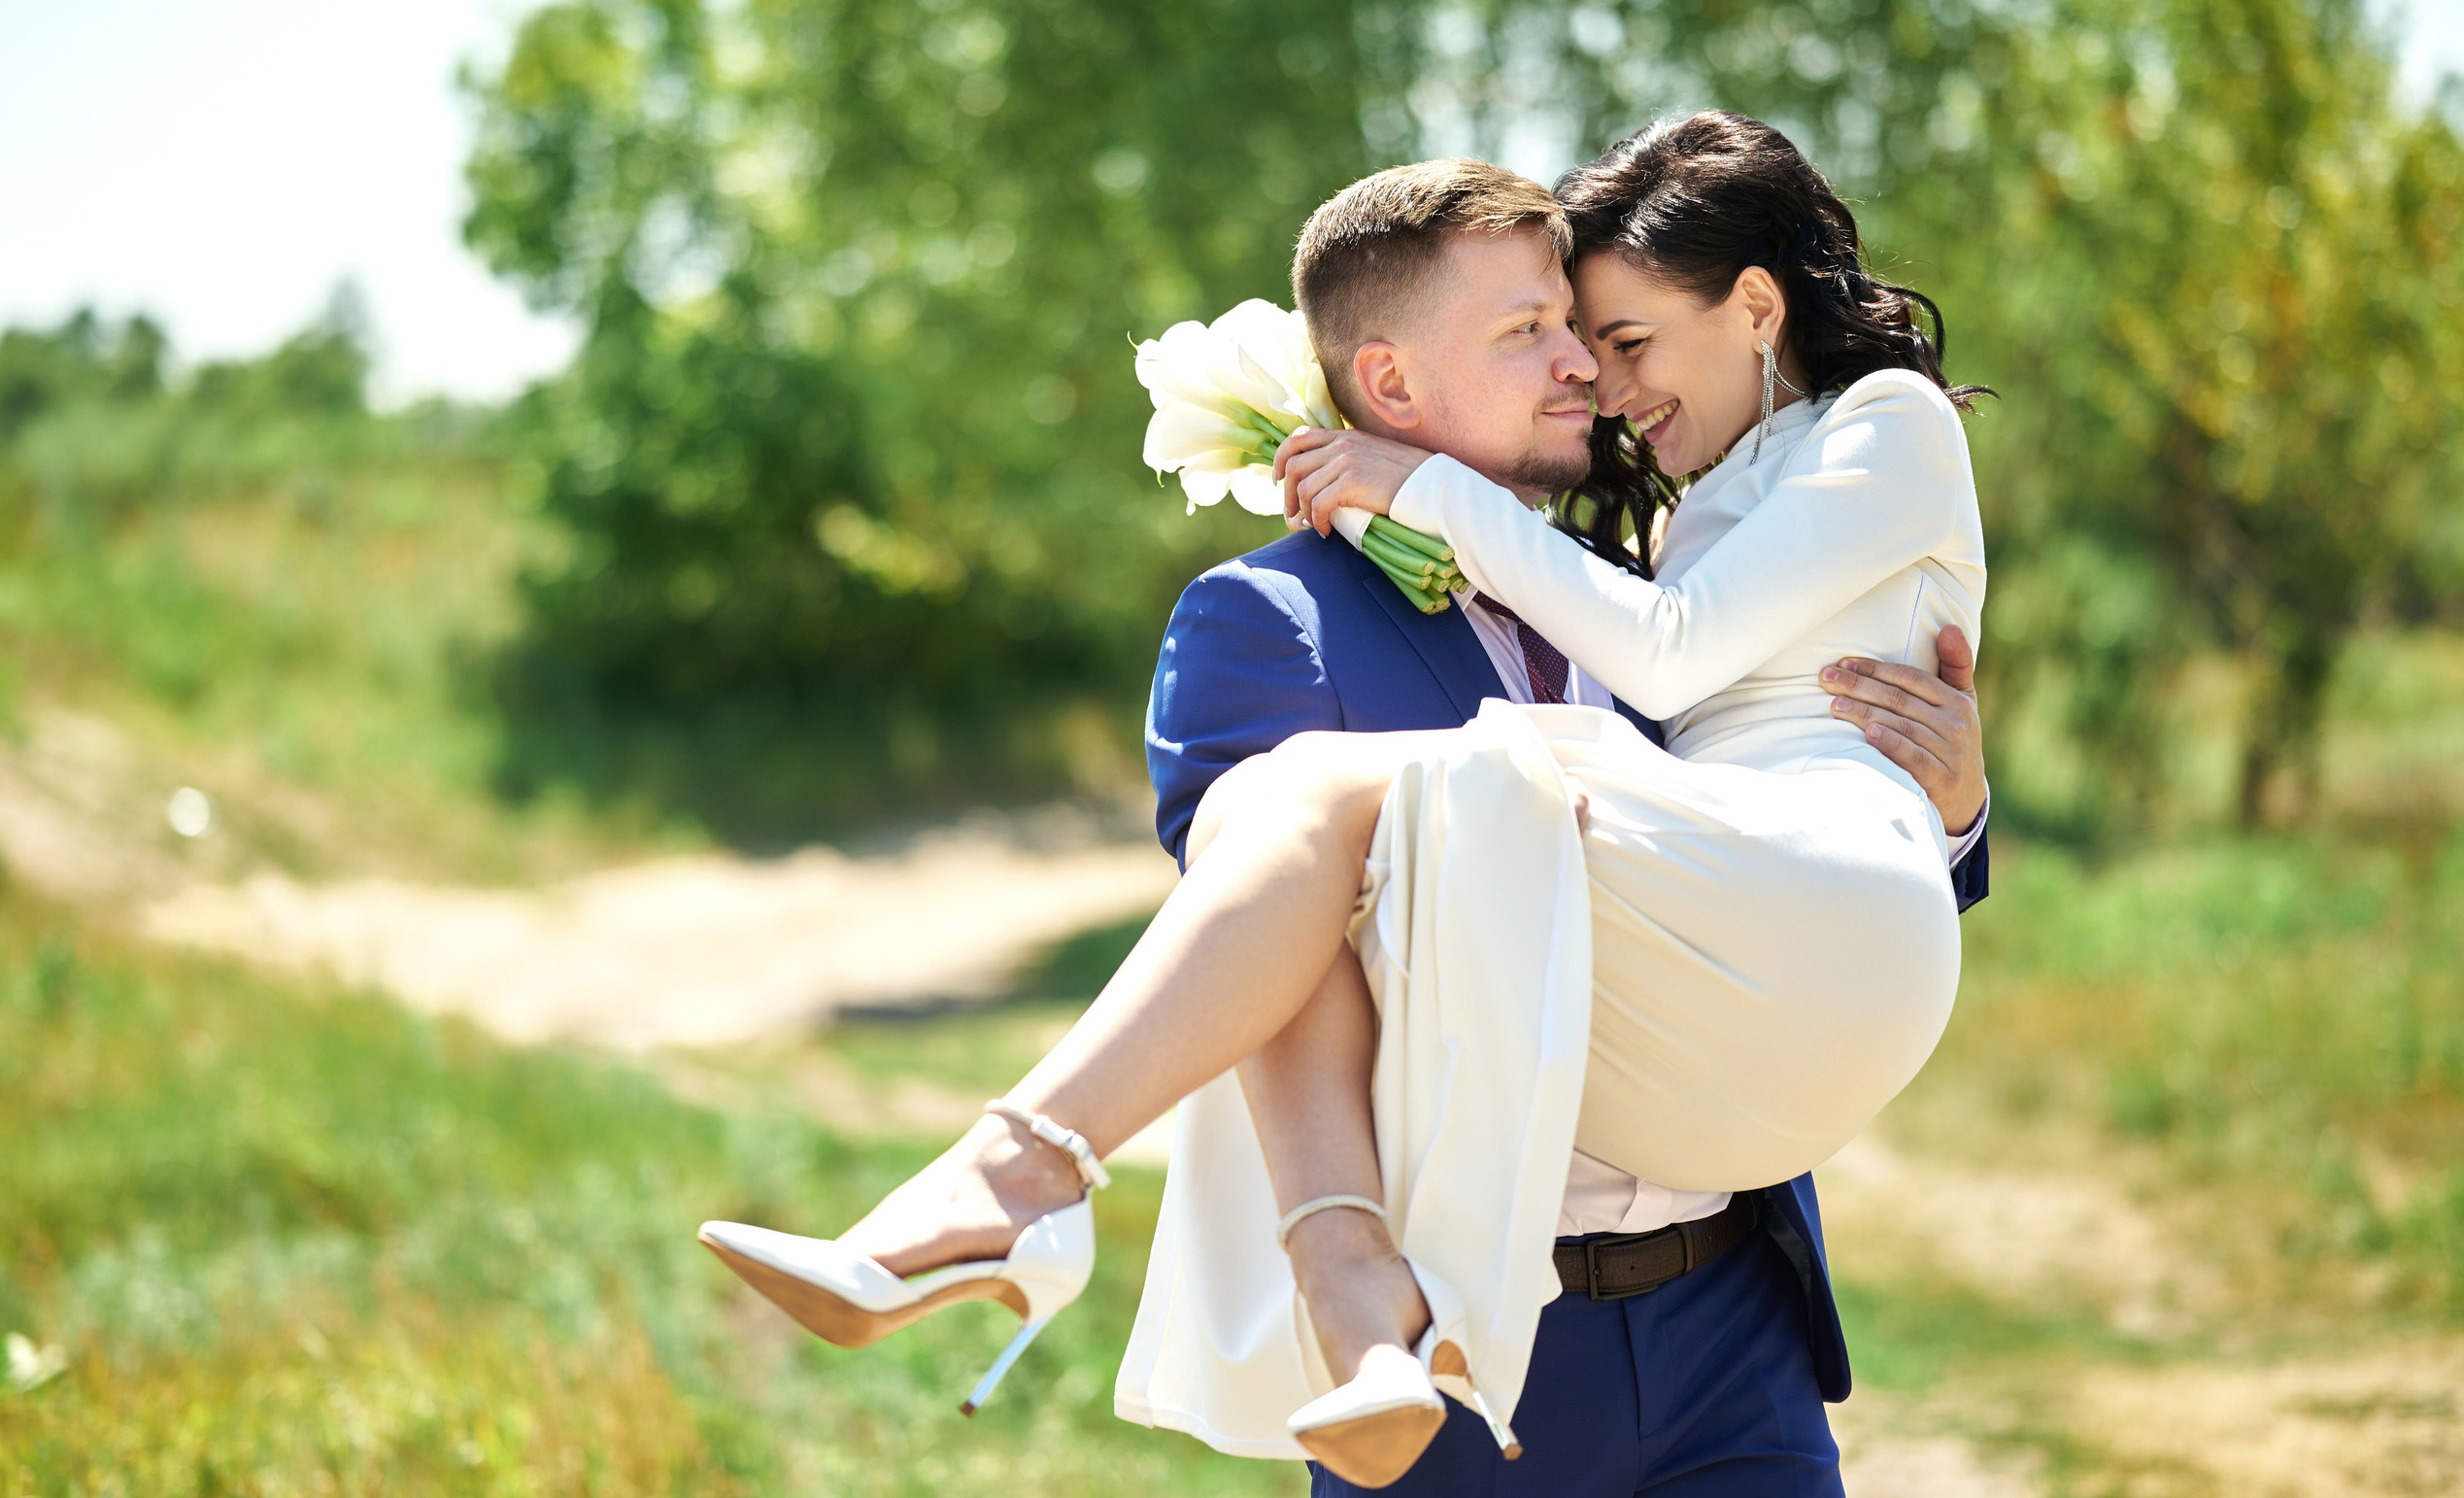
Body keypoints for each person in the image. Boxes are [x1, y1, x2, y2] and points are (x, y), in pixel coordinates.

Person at [697, 115, 1992, 1496]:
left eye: (1594, 331)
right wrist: (1346, 1270)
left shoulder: (1642, 583)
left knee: (1353, 800)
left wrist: (1958, 804)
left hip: (1733, 1308)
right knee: (1306, 812)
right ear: (1389, 376)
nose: (1583, 373)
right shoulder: (1272, 623)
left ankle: (1011, 1187)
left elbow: (1783, 829)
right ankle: (1109, 1218)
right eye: (1534, 331)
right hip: (1469, 1342)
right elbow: (1268, 960)